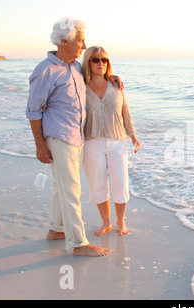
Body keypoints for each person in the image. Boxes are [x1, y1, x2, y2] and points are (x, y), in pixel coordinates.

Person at [26, 17, 113, 257]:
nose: (84, 46)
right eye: (80, 41)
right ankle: (78, 244)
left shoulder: (75, 67)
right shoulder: (45, 71)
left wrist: (111, 79)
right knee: (72, 190)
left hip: (77, 137)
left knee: (62, 187)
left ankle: (57, 229)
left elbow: (96, 76)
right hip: (58, 138)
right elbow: (33, 111)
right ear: (64, 41)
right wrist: (40, 146)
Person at [81, 46, 141, 237]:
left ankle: (120, 221)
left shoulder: (116, 85)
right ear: (88, 63)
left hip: (117, 142)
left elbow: (126, 112)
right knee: (97, 185)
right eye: (96, 59)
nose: (101, 63)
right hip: (91, 143)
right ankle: (106, 222)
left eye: (104, 60)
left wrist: (133, 135)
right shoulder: (80, 85)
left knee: (120, 183)